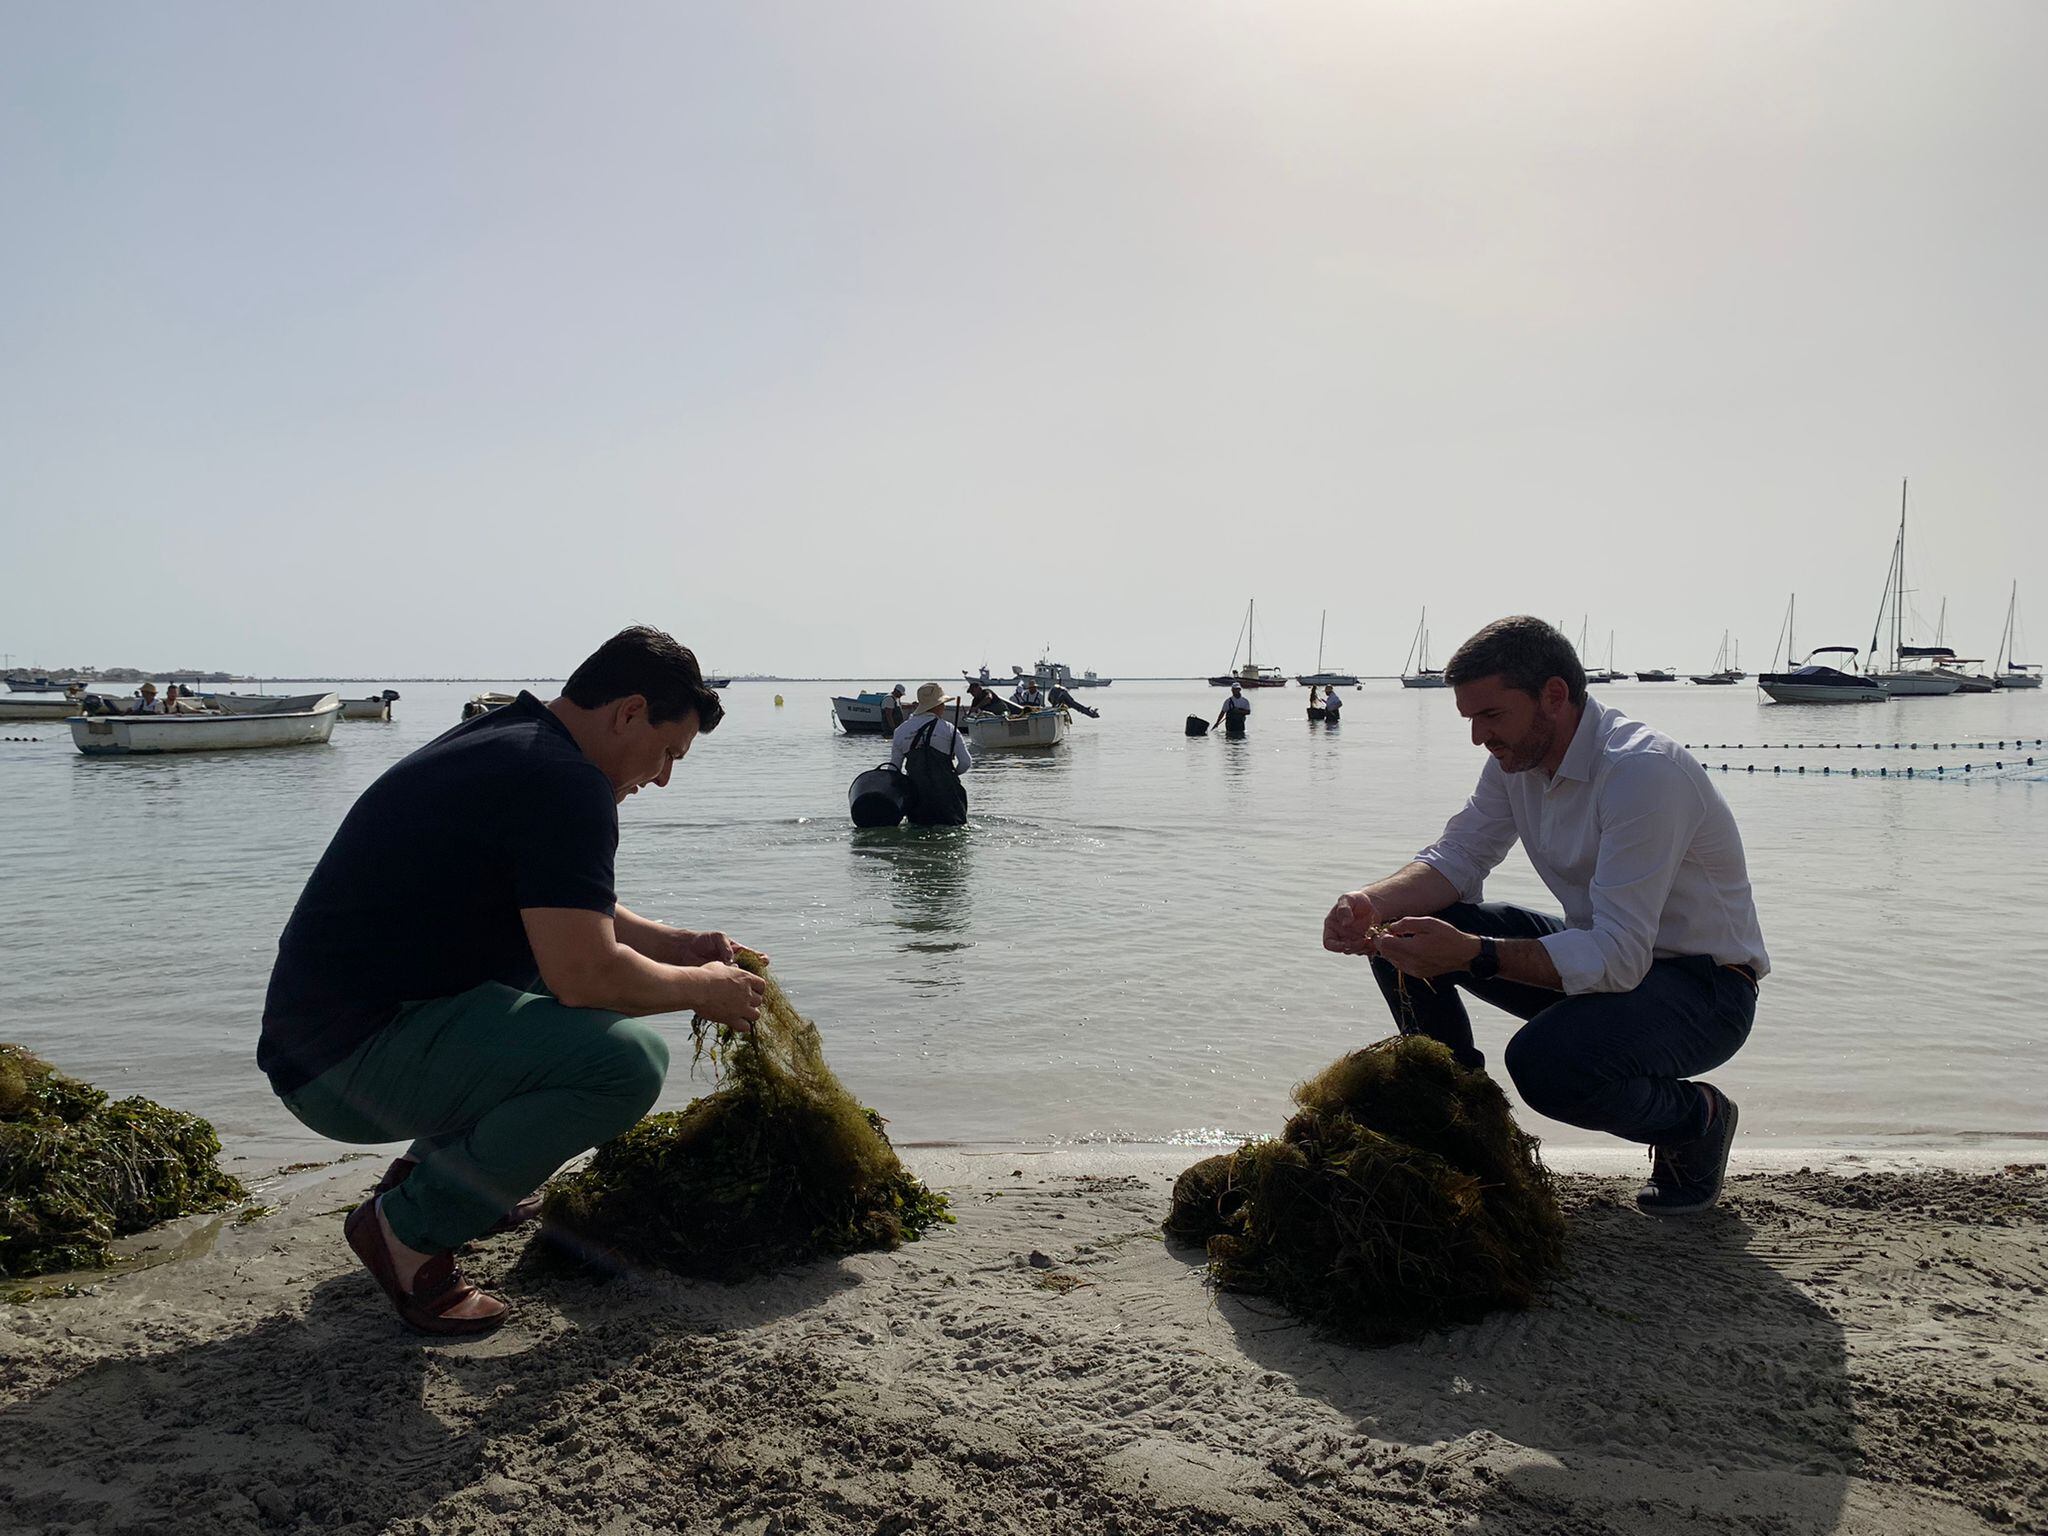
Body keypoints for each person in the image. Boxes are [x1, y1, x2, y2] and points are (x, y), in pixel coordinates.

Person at [258, 625, 765, 1335]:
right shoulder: (565, 783)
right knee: (624, 1063)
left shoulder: (513, 741)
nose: (661, 778)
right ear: (627, 712)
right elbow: (587, 973)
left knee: (543, 985)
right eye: (668, 753)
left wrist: (676, 945)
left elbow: (563, 902)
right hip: (346, 1065)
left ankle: (438, 1181)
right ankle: (406, 1233)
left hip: (320, 1042)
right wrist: (706, 991)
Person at [1321, 616, 1766, 1216]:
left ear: (1553, 695)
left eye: (1491, 716)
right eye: (1471, 719)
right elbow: (1458, 857)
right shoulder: (1516, 762)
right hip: (1611, 954)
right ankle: (1459, 1118)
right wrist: (1370, 903)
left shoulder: (1642, 773)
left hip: (1706, 989)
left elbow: (1618, 957)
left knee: (1544, 1063)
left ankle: (1697, 1118)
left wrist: (1474, 953)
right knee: (1403, 937)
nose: (1478, 736)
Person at [889, 682, 972, 825]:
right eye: (943, 703)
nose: (944, 707)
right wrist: (951, 775)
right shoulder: (949, 729)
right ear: (938, 705)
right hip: (948, 799)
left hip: (917, 799)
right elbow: (965, 763)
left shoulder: (900, 731)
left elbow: (893, 770)